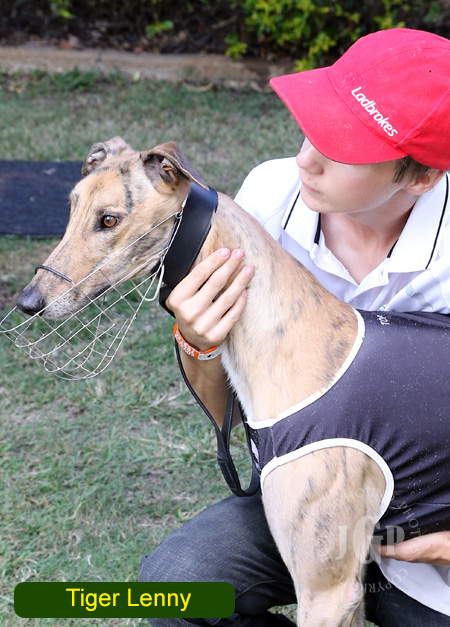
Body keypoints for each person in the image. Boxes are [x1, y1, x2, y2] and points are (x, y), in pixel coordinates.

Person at [140, 28, 450, 626]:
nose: (306, 159)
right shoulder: (270, 194)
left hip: (429, 531)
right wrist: (198, 343)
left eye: (343, 148)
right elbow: (234, 411)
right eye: (313, 126)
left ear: (420, 178)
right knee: (176, 584)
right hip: (310, 498)